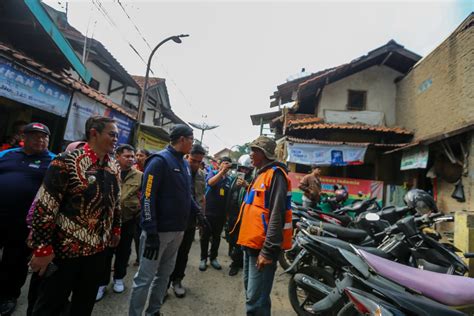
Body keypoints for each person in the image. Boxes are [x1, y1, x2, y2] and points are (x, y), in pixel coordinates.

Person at [28, 116, 121, 316]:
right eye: (112, 134)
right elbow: (45, 206)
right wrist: (42, 248)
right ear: (94, 133)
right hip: (64, 251)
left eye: (117, 135)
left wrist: (116, 228)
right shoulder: (65, 161)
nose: (116, 139)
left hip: (98, 251)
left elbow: (116, 202)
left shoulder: (114, 166)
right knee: (49, 305)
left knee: (84, 305)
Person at [129, 124, 209, 316]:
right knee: (144, 278)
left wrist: (198, 212)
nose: (193, 144)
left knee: (164, 275)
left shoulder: (183, 163)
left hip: (177, 231)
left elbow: (186, 194)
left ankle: (153, 311)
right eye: (192, 139)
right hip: (158, 233)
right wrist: (151, 232)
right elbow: (147, 197)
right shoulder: (159, 161)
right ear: (182, 139)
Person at [0, 122, 54, 316]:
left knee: (14, 261)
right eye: (34, 136)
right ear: (24, 138)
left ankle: (7, 296)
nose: (40, 139)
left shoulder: (53, 162)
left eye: (44, 136)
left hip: (24, 223)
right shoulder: (7, 154)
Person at [235, 136, 293, 316]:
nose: (250, 154)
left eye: (254, 150)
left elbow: (277, 215)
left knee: (255, 302)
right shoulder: (260, 174)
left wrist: (267, 251)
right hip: (250, 246)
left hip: (262, 249)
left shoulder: (276, 175)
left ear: (264, 154)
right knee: (254, 297)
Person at [96, 144, 143, 301]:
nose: (131, 159)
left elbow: (144, 196)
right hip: (107, 220)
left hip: (128, 220)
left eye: (132, 156)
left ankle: (119, 278)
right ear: (117, 156)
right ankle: (102, 283)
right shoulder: (107, 171)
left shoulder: (140, 176)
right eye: (127, 156)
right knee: (105, 252)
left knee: (124, 251)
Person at [169, 144, 207, 298]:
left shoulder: (201, 175)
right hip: (175, 220)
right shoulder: (177, 171)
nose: (195, 164)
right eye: (193, 160)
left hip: (191, 221)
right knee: (170, 254)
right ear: (187, 157)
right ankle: (163, 284)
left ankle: (177, 280)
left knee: (184, 253)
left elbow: (201, 198)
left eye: (199, 161)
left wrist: (201, 217)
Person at [199, 156, 232, 271]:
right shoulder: (212, 173)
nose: (227, 165)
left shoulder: (229, 179)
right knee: (205, 236)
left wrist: (227, 214)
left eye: (229, 163)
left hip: (221, 214)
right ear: (219, 164)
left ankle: (213, 258)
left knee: (216, 237)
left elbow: (229, 197)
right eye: (225, 163)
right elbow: (210, 183)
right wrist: (222, 172)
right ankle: (203, 259)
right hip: (208, 212)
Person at [225, 154, 254, 276]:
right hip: (232, 214)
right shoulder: (233, 179)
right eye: (241, 168)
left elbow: (255, 195)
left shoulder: (252, 182)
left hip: (243, 216)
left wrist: (246, 186)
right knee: (230, 237)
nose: (243, 171)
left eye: (246, 169)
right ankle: (235, 258)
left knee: (238, 240)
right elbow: (229, 196)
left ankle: (235, 264)